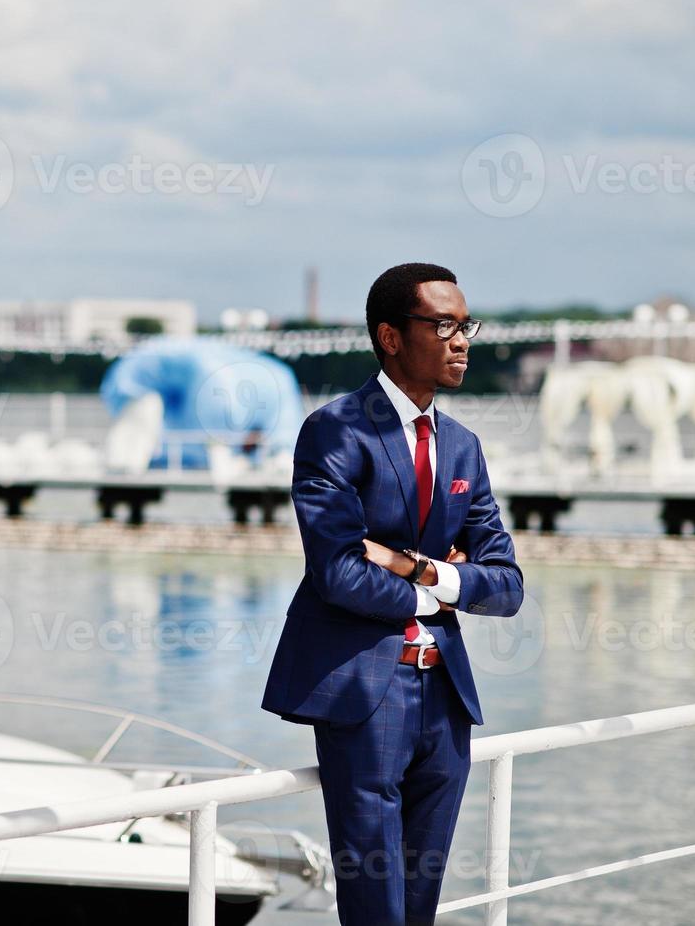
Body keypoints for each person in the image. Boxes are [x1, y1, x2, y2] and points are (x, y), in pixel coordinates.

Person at [260, 263, 524, 925]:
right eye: (443, 325)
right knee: (376, 903)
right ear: (390, 336)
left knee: (420, 902)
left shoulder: (462, 448)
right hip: (363, 694)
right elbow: (338, 572)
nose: (462, 340)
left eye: (466, 325)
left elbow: (507, 586)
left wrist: (423, 572)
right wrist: (441, 587)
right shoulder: (336, 430)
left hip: (446, 701)